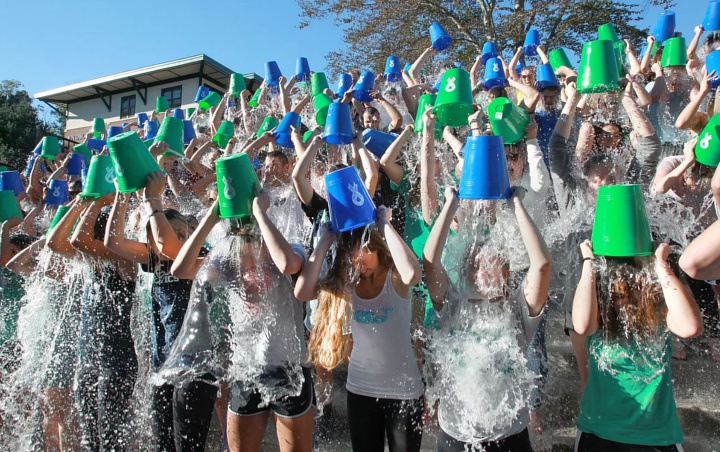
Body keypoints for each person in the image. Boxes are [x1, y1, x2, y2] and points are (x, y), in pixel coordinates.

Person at [423, 185, 551, 451]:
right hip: (457, 435)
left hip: (509, 436)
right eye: (482, 266)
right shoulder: (454, 305)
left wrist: (516, 204)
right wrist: (450, 205)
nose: (489, 273)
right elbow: (430, 261)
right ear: (469, 272)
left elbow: (541, 264)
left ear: (507, 274)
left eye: (497, 266)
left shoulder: (518, 310)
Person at [295, 206, 424, 452]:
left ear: (376, 247)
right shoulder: (347, 283)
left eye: (364, 257)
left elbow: (413, 274)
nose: (360, 266)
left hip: (404, 393)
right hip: (361, 391)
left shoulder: (394, 278)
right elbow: (302, 292)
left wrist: (385, 225)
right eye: (352, 260)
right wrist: (324, 241)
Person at [572, 241, 703, 451]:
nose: (616, 288)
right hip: (599, 434)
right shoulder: (599, 316)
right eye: (611, 282)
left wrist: (661, 265)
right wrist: (589, 262)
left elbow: (691, 328)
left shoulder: (660, 316)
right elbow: (581, 325)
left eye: (627, 282)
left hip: (656, 437)